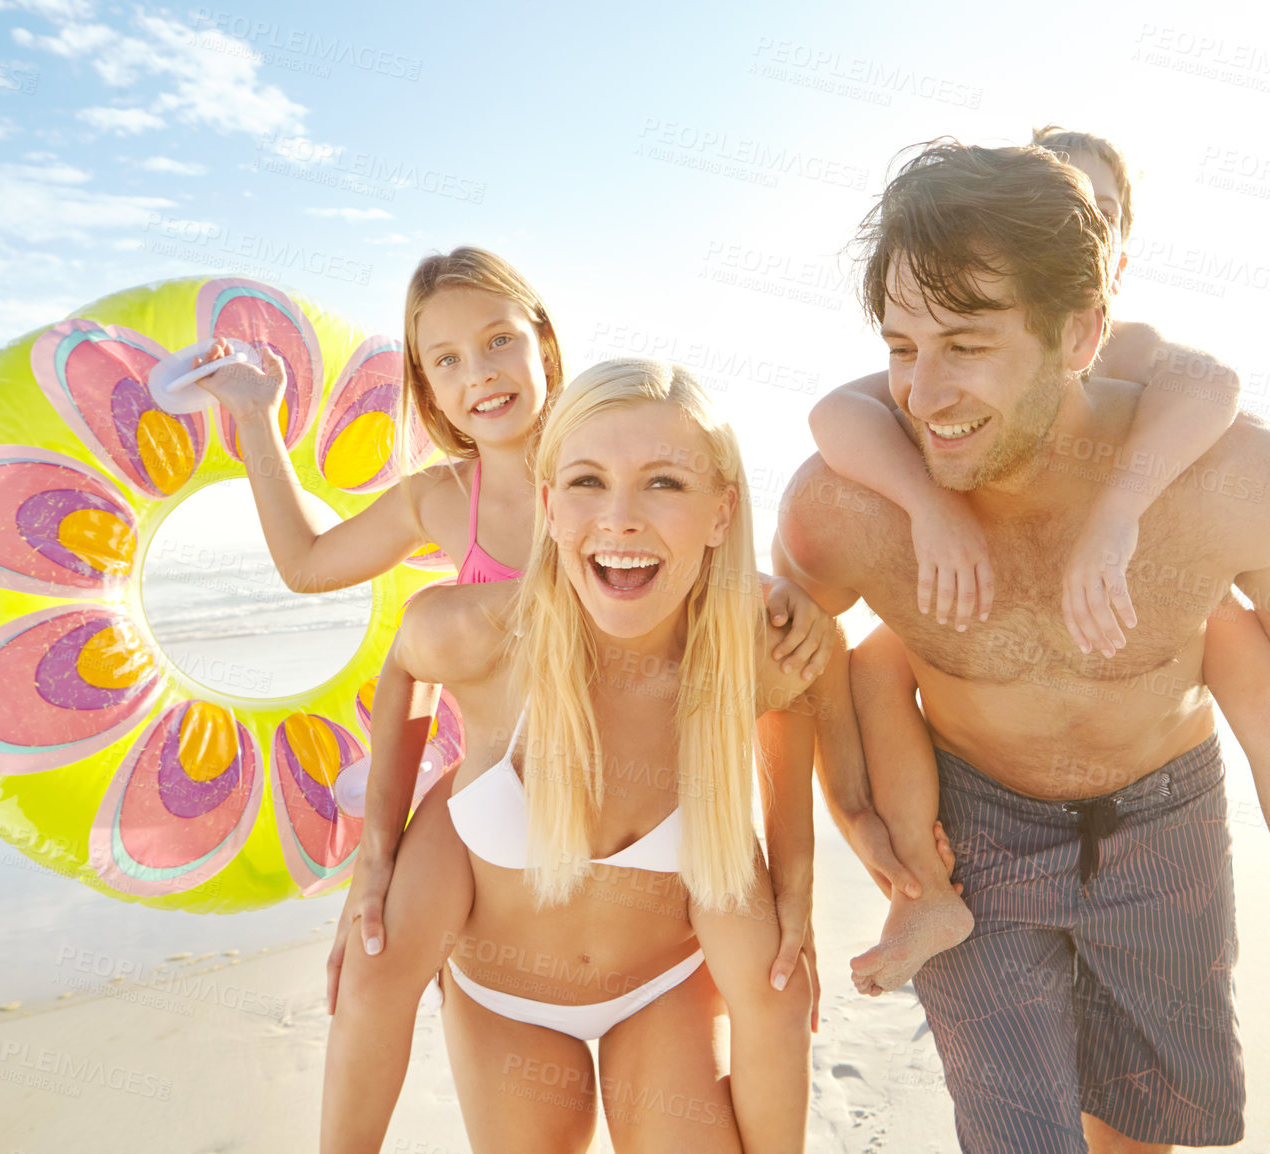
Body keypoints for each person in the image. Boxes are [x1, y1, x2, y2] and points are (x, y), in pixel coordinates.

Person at [777, 139, 1270, 1152]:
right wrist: (853, 828)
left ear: (1081, 331)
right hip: (971, 833)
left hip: (1165, 815)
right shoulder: (847, 507)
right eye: (902, 348)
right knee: (1019, 1133)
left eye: (967, 344)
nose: (924, 394)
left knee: (1143, 1130)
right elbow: (787, 660)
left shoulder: (1230, 484)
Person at [188, 247, 830, 1007]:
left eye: (498, 341)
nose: (480, 374)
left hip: (635, 791)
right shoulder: (436, 500)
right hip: (507, 793)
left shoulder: (606, 454)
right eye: (447, 361)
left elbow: (680, 547)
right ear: (427, 387)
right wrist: (255, 417)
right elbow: (308, 565)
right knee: (397, 960)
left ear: (543, 344)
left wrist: (776, 589)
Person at [321, 358, 817, 1152]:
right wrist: (376, 853)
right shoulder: (480, 638)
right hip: (505, 998)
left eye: (664, 483)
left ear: (722, 512)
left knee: (774, 1001)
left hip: (662, 990)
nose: (620, 518)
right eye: (587, 481)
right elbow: (406, 665)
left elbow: (795, 707)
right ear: (548, 505)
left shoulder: (740, 658)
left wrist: (798, 889)